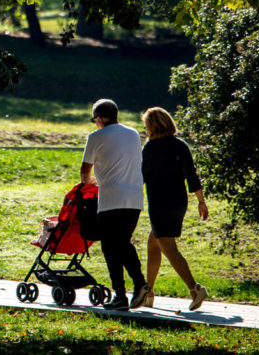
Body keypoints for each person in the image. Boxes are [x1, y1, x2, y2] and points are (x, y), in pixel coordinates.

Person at [80, 98, 151, 310]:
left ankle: (127, 290)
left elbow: (85, 172)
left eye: (95, 120)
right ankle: (134, 288)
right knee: (122, 242)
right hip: (135, 197)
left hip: (111, 198)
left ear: (100, 118)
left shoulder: (96, 136)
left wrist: (91, 182)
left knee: (111, 247)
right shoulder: (133, 134)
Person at [140, 106, 209, 311]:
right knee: (154, 243)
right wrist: (201, 202)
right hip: (179, 202)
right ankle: (148, 292)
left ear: (151, 127)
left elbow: (140, 178)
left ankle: (195, 289)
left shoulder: (150, 148)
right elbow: (192, 175)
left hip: (160, 203)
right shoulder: (180, 145)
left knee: (168, 247)